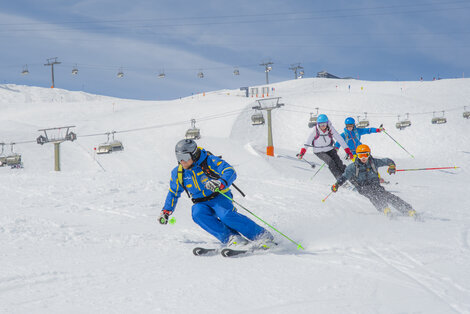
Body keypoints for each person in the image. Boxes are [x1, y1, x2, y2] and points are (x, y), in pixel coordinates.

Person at [159, 139, 274, 248]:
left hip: (219, 196)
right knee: (198, 214)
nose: (182, 161)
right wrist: (166, 211)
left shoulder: (209, 161)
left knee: (226, 216)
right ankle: (231, 238)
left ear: (193, 155)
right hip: (200, 202)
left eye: (185, 157)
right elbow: (173, 193)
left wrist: (220, 183)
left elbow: (230, 171)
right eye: (179, 157)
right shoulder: (178, 173)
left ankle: (261, 236)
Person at [331, 144, 416, 217]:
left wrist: (391, 166)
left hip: (375, 184)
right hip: (362, 186)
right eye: (361, 155)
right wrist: (337, 185)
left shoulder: (374, 162)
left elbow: (387, 161)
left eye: (366, 155)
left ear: (369, 154)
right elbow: (344, 176)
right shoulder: (352, 167)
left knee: (385, 194)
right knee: (372, 194)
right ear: (357, 155)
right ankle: (384, 208)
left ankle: (407, 209)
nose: (363, 158)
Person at [297, 114, 354, 180]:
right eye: (321, 124)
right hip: (319, 151)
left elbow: (340, 139)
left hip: (329, 149)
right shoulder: (315, 130)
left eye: (324, 124)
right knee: (331, 162)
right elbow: (307, 143)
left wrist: (348, 151)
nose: (323, 126)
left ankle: (351, 178)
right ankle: (340, 179)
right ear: (318, 124)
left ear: (327, 123)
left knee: (339, 163)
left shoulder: (330, 128)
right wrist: (302, 153)